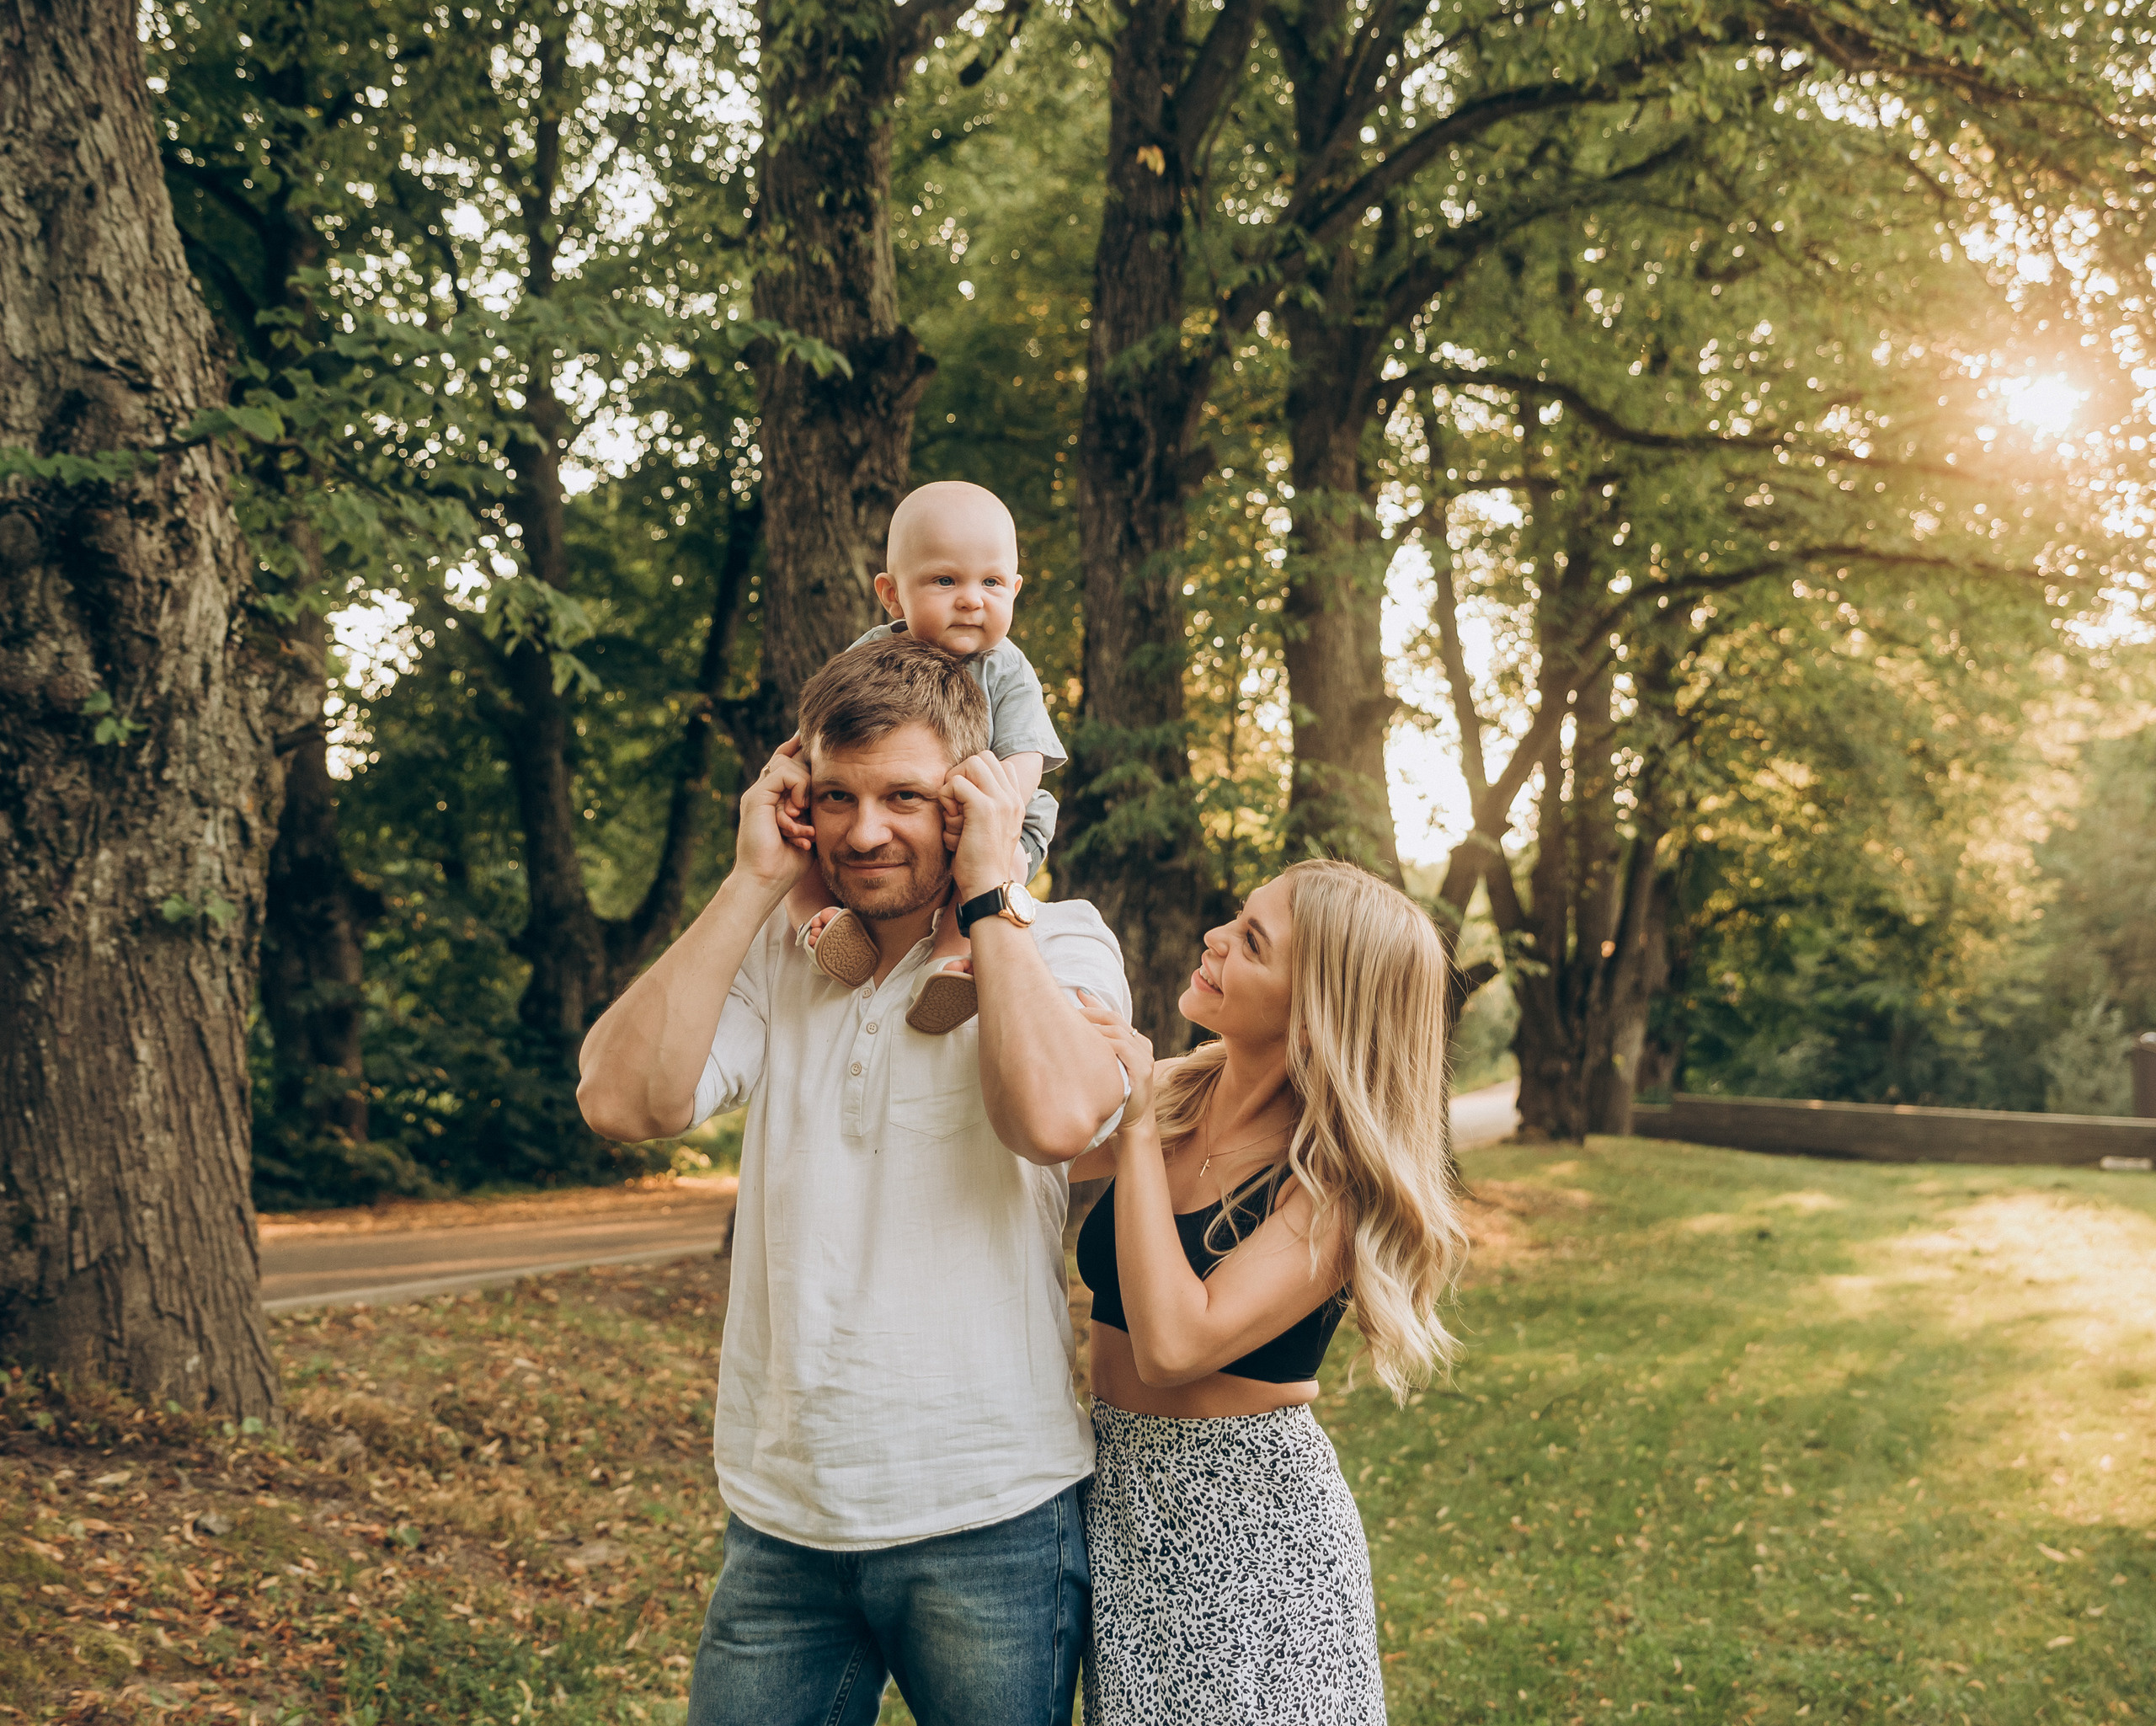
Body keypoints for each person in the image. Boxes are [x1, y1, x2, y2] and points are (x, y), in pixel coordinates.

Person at [575, 635, 1131, 1726]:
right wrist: (750, 882)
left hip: (989, 1517)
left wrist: (992, 891)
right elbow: (621, 1102)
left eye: (906, 799)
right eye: (837, 797)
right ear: (798, 799)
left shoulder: (1054, 941)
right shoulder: (784, 959)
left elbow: (1057, 1118)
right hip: (782, 1525)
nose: (866, 831)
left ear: (968, 801)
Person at [1068, 859, 1470, 1725]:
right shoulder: (1182, 1090)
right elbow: (1030, 1140)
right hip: (1119, 1490)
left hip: (1248, 1526)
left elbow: (1175, 1346)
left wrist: (1135, 1130)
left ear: (1317, 1015)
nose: (1214, 938)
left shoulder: (1332, 1187)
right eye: (1235, 919)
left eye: (1252, 942)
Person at [786, 479, 1064, 1034]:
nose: (971, 598)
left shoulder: (1006, 668)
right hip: (887, 807)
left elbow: (1027, 755)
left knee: (989, 867)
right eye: (945, 579)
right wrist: (798, 772)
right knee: (799, 828)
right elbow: (829, 733)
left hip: (990, 813)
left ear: (1015, 588)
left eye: (991, 582)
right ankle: (818, 921)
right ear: (892, 594)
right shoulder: (869, 655)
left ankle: (952, 959)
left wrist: (986, 808)